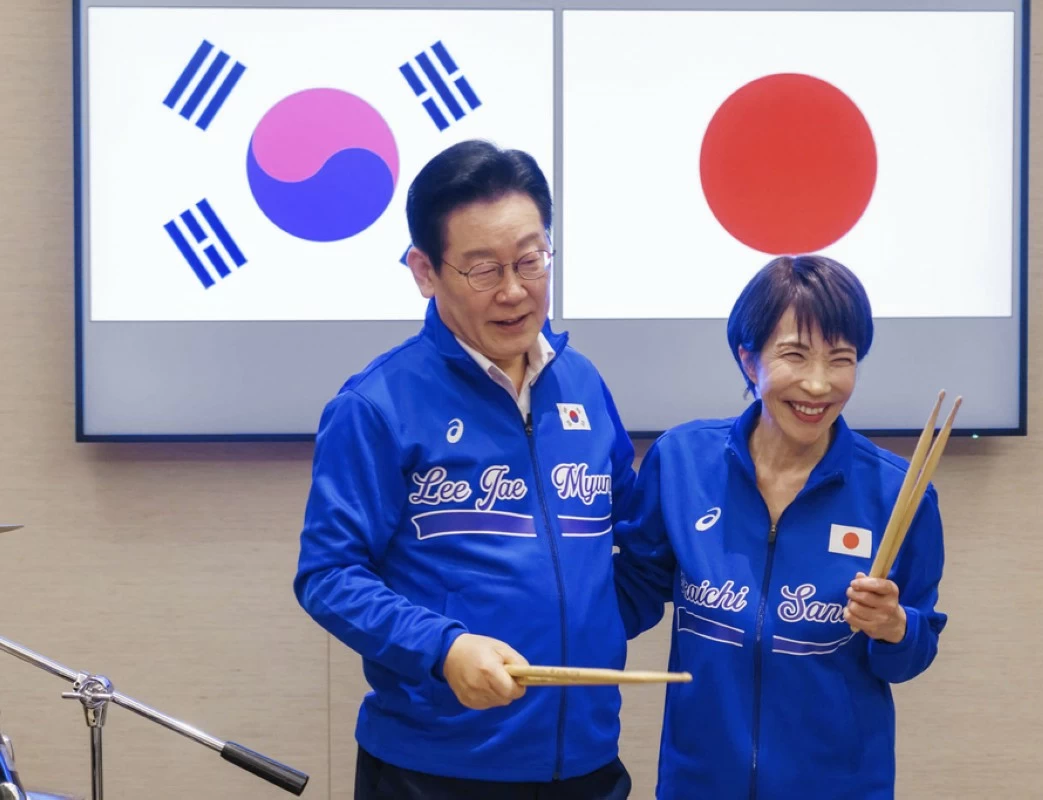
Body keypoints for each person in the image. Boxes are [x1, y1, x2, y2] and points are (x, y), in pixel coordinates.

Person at [294, 140, 636, 799]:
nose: (514, 291)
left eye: (530, 261)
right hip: (436, 771)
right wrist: (443, 649)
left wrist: (599, 622)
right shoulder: (376, 405)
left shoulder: (583, 385)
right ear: (424, 270)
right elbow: (328, 576)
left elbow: (634, 540)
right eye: (482, 269)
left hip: (586, 761)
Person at [613, 255, 948, 799]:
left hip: (839, 786)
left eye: (841, 360)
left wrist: (895, 626)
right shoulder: (682, 463)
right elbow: (630, 596)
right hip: (698, 782)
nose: (818, 385)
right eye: (794, 355)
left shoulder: (898, 493)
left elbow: (914, 650)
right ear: (749, 359)